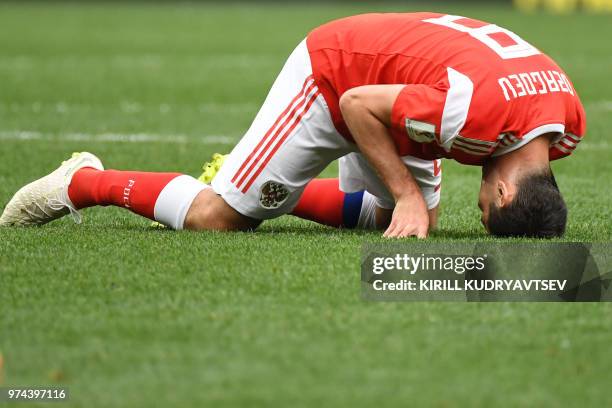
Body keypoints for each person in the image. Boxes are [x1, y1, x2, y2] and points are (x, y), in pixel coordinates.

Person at [0, 12, 585, 238]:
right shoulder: (475, 116)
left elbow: (443, 97)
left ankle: (266, 188)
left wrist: (406, 203)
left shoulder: (566, 124)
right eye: (487, 207)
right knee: (219, 219)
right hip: (335, 76)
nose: (480, 202)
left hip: (404, 91)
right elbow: (359, 103)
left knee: (405, 222)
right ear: (506, 188)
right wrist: (407, 191)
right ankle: (83, 182)